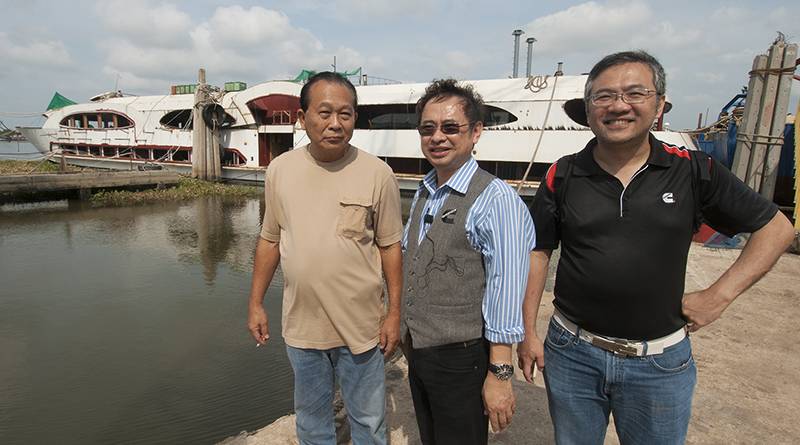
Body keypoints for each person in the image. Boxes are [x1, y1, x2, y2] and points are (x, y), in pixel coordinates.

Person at [519, 50, 795, 444]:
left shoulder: (695, 170)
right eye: (603, 96)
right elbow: (538, 252)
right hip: (572, 352)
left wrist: (719, 296)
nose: (618, 106)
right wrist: (528, 331)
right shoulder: (563, 173)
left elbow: (777, 229)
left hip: (659, 362)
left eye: (635, 93)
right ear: (588, 107)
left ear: (659, 104)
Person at [247, 72, 404, 445]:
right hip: (302, 327)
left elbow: (390, 247)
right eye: (324, 112)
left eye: (346, 114)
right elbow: (270, 239)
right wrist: (255, 303)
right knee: (313, 422)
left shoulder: (378, 174)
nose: (335, 123)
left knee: (369, 423)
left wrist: (394, 313)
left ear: (355, 119)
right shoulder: (280, 170)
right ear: (302, 118)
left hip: (362, 328)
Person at [400, 78, 536, 444]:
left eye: (450, 127)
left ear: (476, 132)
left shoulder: (495, 199)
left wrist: (500, 373)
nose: (437, 137)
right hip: (422, 349)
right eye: (427, 129)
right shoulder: (427, 190)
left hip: (462, 356)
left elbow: (505, 287)